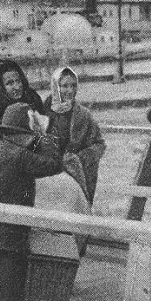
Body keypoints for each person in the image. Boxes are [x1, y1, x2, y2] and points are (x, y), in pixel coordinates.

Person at [0, 102, 63, 301]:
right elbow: (54, 164)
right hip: (6, 236)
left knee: (11, 295)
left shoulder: (0, 148)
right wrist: (43, 133)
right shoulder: (20, 155)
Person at [0, 59, 45, 186]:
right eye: (10, 83)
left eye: (18, 81)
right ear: (0, 86)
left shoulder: (33, 100)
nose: (17, 87)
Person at [43, 66, 106, 205]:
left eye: (73, 85)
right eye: (64, 86)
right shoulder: (43, 111)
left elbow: (99, 144)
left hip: (76, 172)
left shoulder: (83, 114)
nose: (70, 90)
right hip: (49, 171)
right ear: (55, 87)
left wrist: (82, 157)